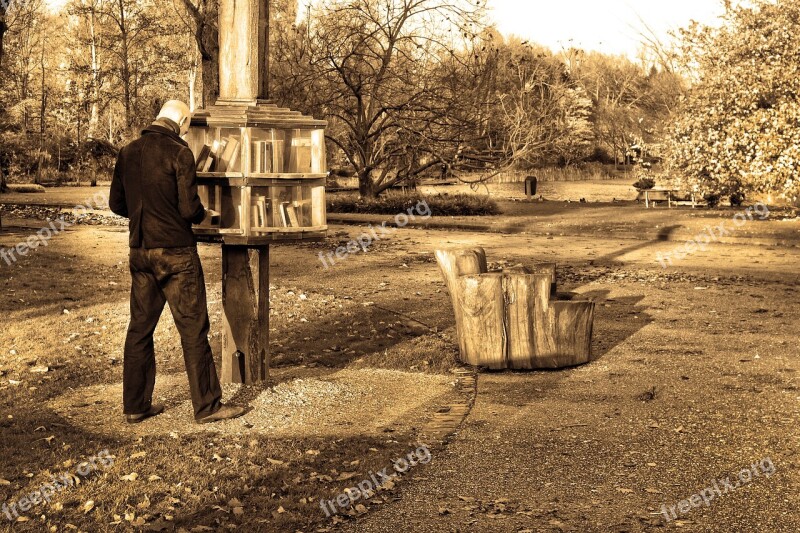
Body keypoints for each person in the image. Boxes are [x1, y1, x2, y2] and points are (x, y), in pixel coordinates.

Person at [109, 100, 245, 424]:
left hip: (140, 252)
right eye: (187, 125)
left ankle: (136, 407)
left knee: (139, 329)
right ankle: (208, 407)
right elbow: (189, 210)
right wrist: (207, 215)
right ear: (182, 120)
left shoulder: (128, 151)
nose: (186, 130)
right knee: (193, 329)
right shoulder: (179, 152)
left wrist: (146, 216)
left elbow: (116, 204)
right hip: (177, 254)